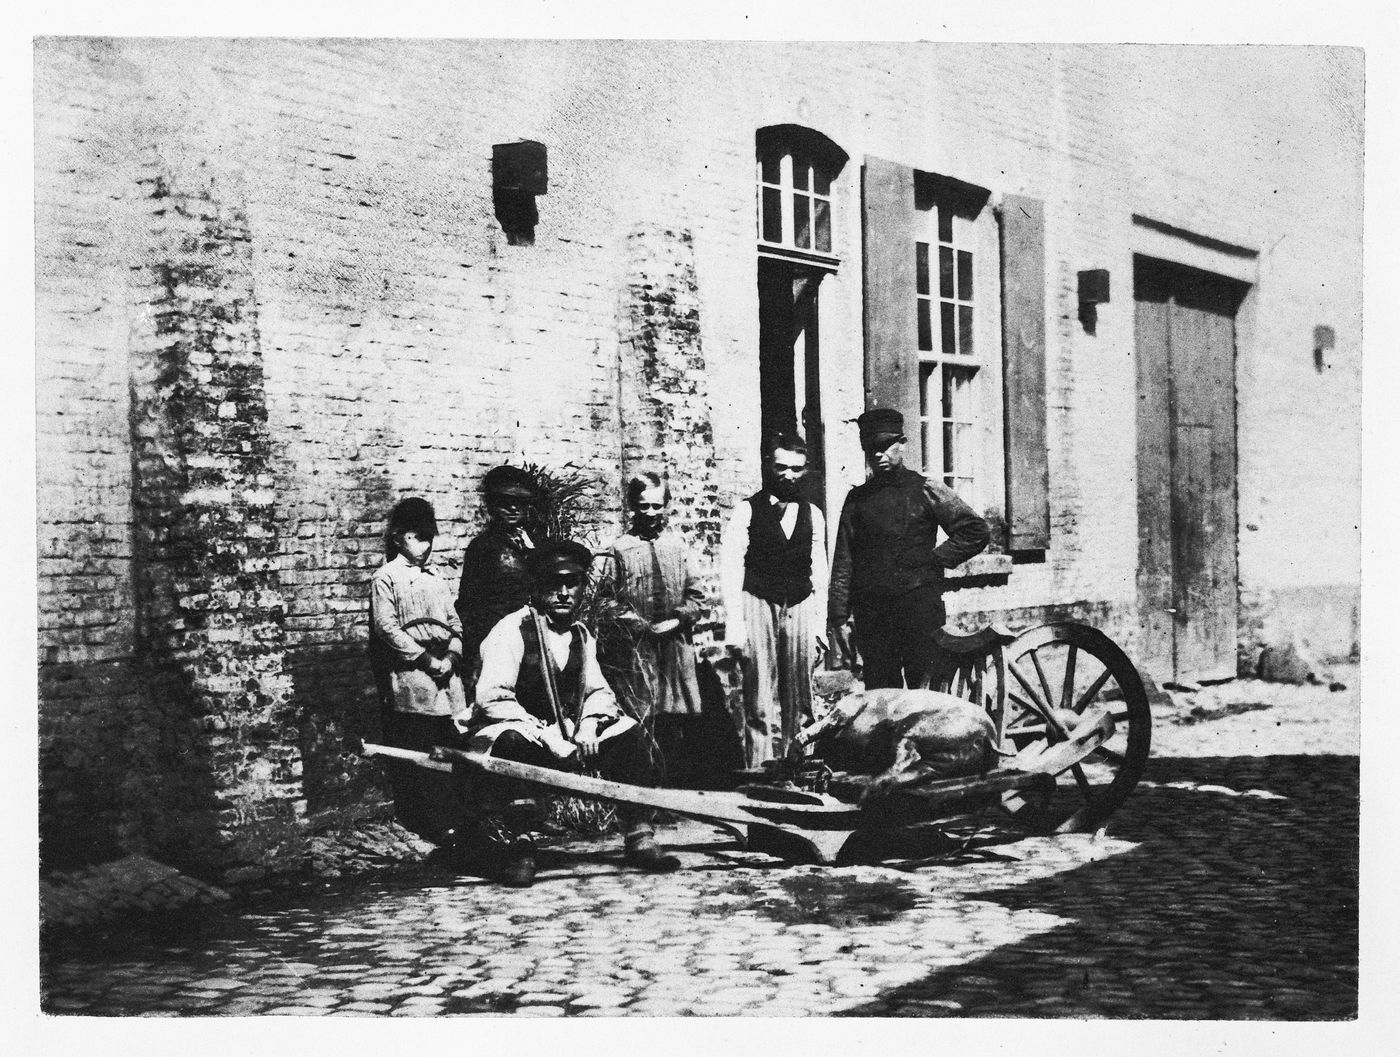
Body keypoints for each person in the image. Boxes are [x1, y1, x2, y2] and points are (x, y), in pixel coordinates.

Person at [463, 540, 682, 887]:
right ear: (537, 588)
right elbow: (493, 697)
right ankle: (523, 846)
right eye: (554, 584)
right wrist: (545, 734)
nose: (564, 593)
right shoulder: (512, 629)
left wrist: (590, 725)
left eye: (573, 584)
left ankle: (639, 836)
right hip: (523, 729)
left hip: (569, 733)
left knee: (628, 735)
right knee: (510, 742)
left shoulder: (581, 635)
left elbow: (598, 691)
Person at [827, 408, 991, 690]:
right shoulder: (857, 500)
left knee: (926, 691)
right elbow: (844, 562)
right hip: (873, 615)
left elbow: (976, 530)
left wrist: (936, 558)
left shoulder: (926, 489)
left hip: (919, 608)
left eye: (885, 446)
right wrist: (839, 617)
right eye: (871, 449)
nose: (878, 455)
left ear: (902, 444)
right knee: (881, 695)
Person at [720, 433, 828, 767]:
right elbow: (731, 567)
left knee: (801, 698)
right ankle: (761, 772)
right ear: (769, 465)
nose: (789, 475)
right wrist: (735, 628)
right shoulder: (746, 511)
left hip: (799, 604)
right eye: (781, 467)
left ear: (805, 469)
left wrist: (819, 626)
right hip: (758, 601)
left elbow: (820, 572)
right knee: (759, 697)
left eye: (796, 469)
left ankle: (800, 770)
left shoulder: (813, 513)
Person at [368, 497, 471, 846]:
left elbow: (455, 620)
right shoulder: (387, 577)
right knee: (421, 749)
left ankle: (459, 819)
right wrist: (426, 660)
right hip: (414, 673)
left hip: (447, 673)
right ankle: (432, 822)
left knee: (452, 743)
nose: (425, 546)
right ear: (399, 538)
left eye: (429, 538)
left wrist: (453, 656)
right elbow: (386, 627)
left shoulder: (436, 576)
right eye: (417, 537)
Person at [595, 472, 706, 781]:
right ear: (633, 507)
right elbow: (604, 600)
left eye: (658, 506)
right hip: (637, 649)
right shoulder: (620, 549)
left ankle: (671, 790)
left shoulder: (678, 547)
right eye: (644, 506)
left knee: (674, 719)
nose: (652, 514)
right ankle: (644, 789)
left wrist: (675, 620)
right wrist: (638, 624)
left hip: (674, 647)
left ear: (666, 505)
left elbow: (697, 596)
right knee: (642, 718)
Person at [456, 465, 540, 693]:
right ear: (493, 506)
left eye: (520, 502)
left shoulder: (533, 546)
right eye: (505, 502)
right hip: (495, 645)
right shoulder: (483, 548)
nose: (513, 508)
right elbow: (469, 607)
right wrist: (474, 657)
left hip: (531, 644)